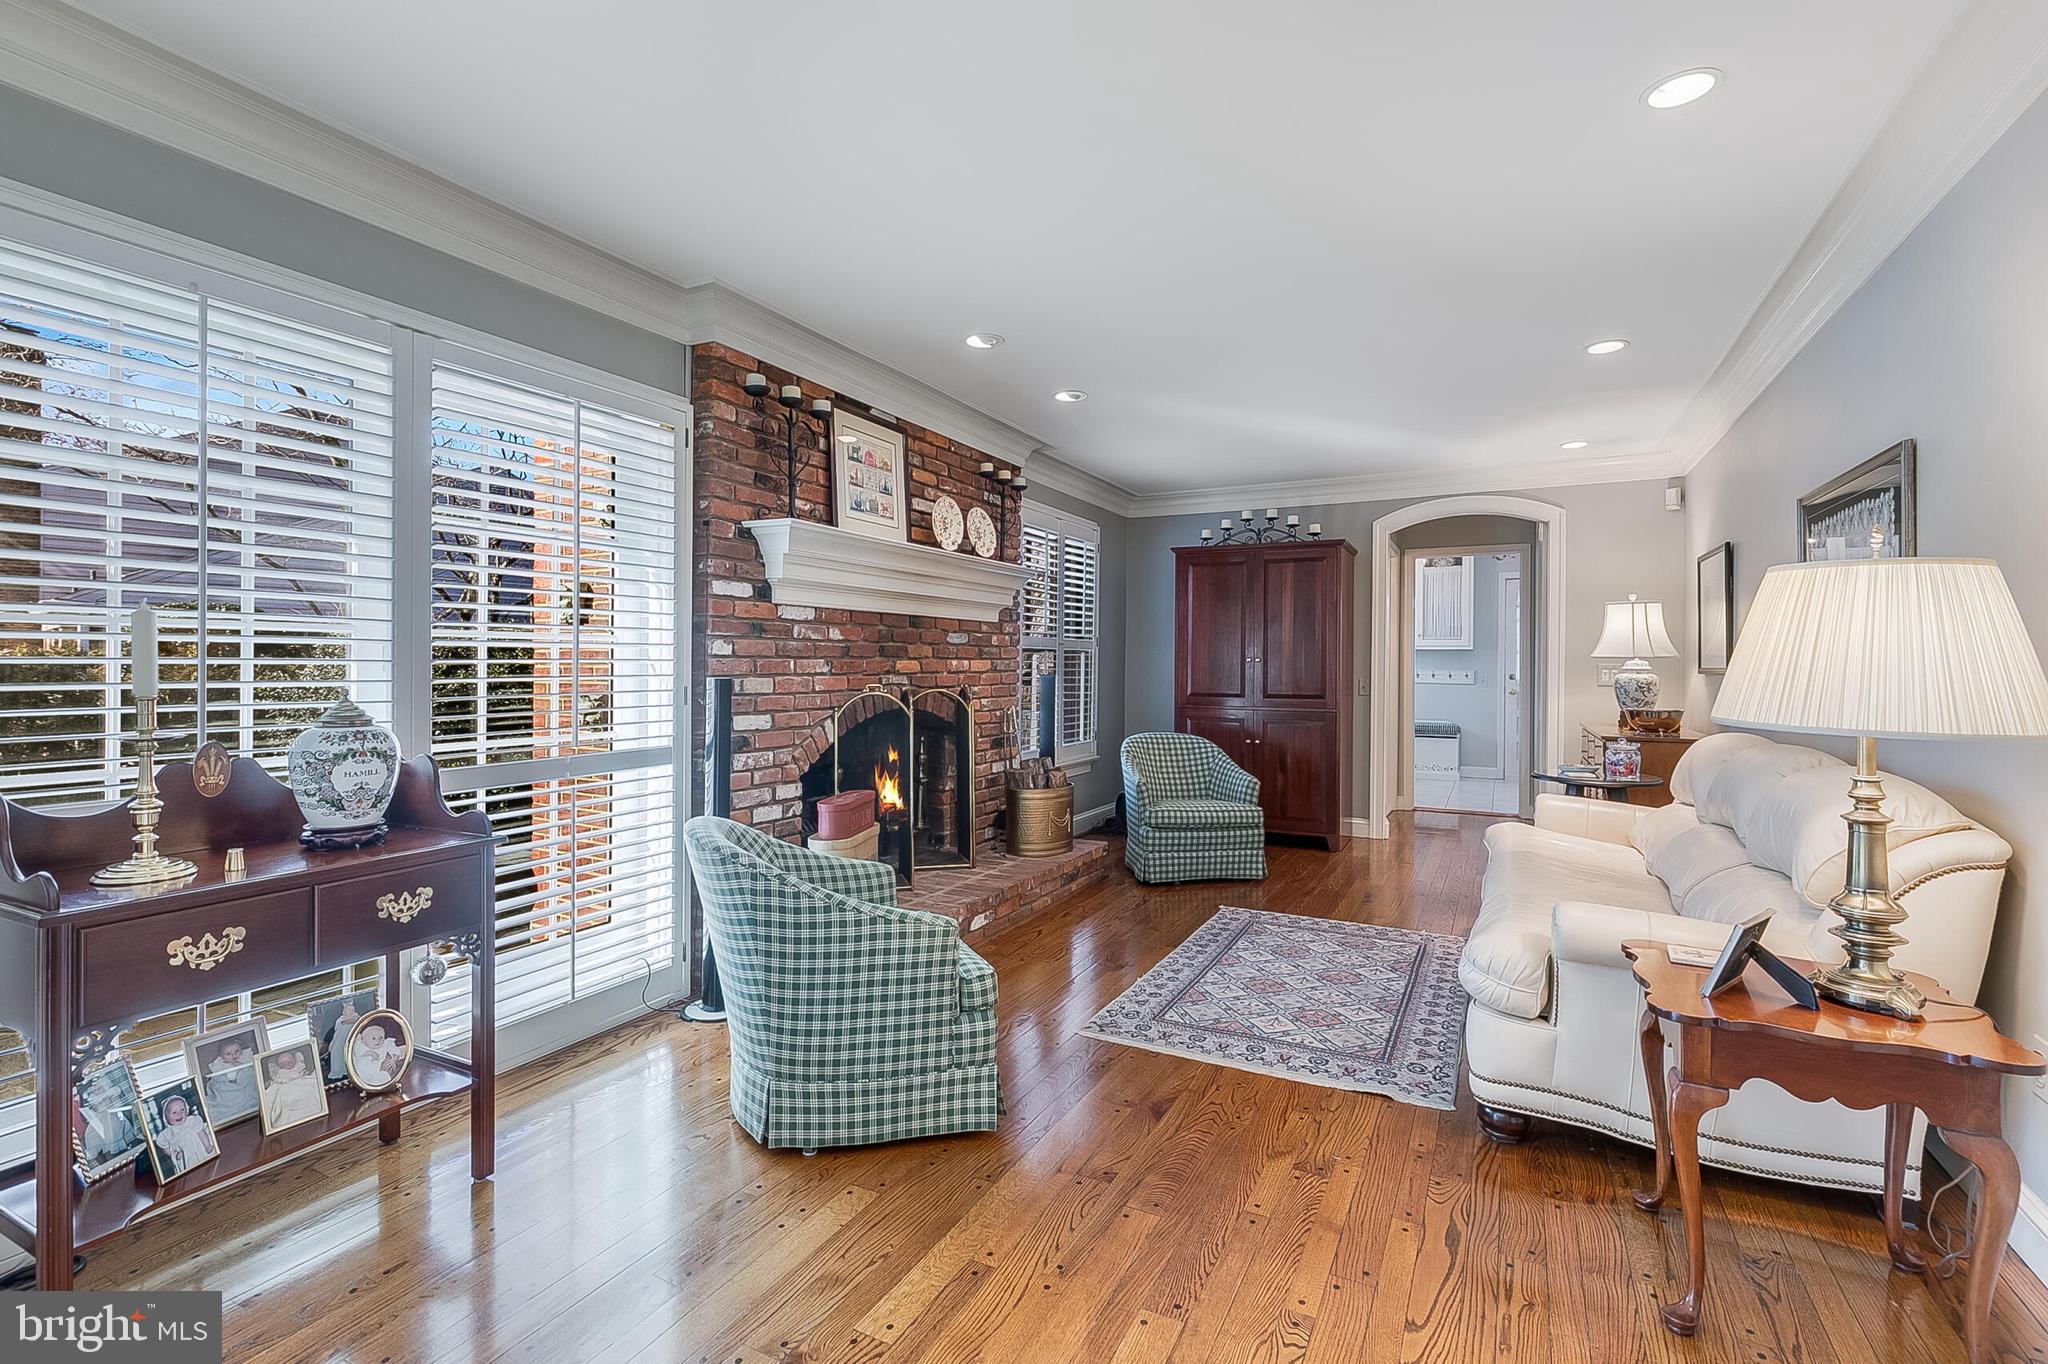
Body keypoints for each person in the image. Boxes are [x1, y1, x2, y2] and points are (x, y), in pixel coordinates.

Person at [261, 1048, 328, 1131]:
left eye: (289, 1062)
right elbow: (269, 1099)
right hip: (288, 1102)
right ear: (278, 1065)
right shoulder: (276, 1079)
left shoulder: (306, 1073)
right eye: (283, 1063)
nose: (287, 1064)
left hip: (306, 1094)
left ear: (295, 1060)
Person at [151, 1093, 217, 1175]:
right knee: (193, 1174)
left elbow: (201, 1133)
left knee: (210, 1168)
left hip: (200, 1148)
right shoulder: (167, 1134)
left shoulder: (192, 1121)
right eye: (174, 1112)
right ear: (166, 1117)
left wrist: (207, 1146)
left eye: (182, 1110)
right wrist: (174, 1154)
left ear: (187, 1109)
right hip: (185, 1157)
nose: (179, 1114)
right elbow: (166, 1148)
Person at [204, 1039, 258, 1121]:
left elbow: (252, 1071)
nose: (234, 1055)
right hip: (227, 1089)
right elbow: (215, 1080)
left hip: (245, 1081)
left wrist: (241, 1066)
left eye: (237, 1051)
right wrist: (224, 1079)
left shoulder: (245, 1059)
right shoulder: (219, 1065)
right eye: (228, 1054)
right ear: (222, 1056)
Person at [350, 1021, 406, 1089]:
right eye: (373, 1038)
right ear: (363, 1040)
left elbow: (396, 1052)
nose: (378, 1041)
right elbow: (356, 1053)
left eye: (381, 1037)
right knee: (363, 1072)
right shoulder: (361, 1046)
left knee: (382, 1078)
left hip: (379, 1069)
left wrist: (394, 1060)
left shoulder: (386, 1044)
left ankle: (379, 1085)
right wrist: (370, 1052)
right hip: (365, 1068)